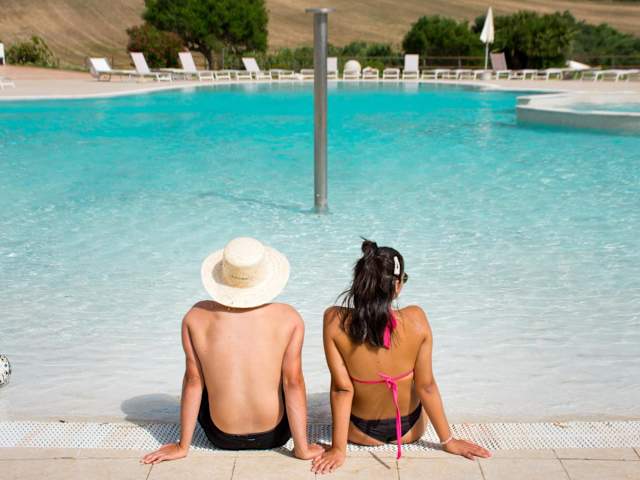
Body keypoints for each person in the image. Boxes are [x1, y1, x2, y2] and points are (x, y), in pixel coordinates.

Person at [312, 239, 491, 474]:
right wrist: (449, 441)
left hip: (360, 433)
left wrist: (338, 449)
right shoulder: (416, 319)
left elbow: (342, 390)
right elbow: (426, 386)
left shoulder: (334, 321)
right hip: (410, 430)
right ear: (396, 285)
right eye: (404, 279)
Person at [142, 237, 322, 464]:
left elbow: (193, 382)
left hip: (221, 437)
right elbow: (293, 383)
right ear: (265, 277)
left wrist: (181, 446)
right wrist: (302, 449)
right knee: (287, 378)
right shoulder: (289, 318)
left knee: (200, 376)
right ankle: (300, 444)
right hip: (275, 435)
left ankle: (187, 444)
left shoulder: (196, 317)